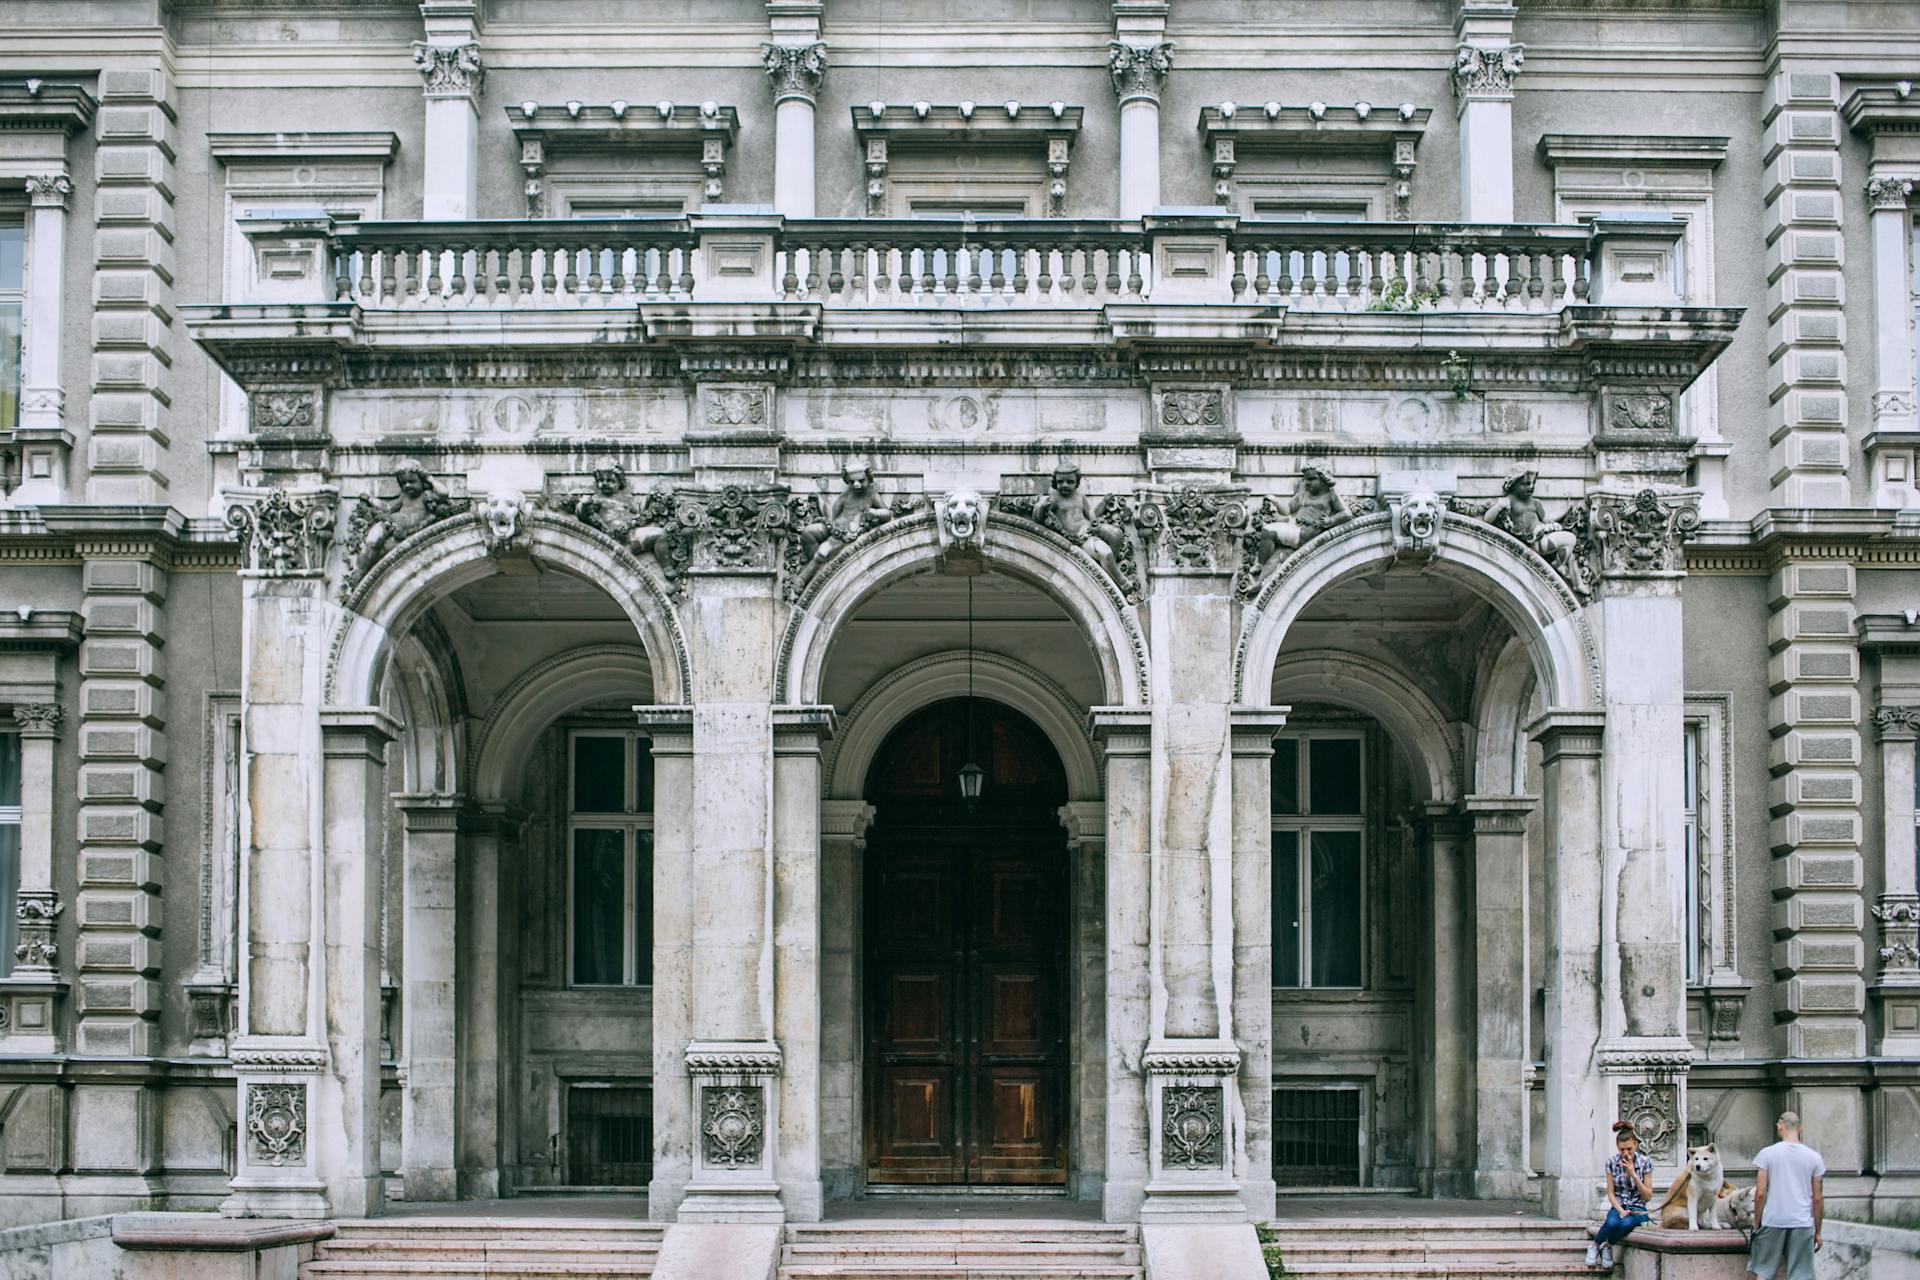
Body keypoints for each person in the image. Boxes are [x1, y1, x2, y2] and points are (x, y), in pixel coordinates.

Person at [1750, 1111, 1824, 1280]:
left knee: (1763, 1272)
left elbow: (1760, 1193)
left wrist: (1756, 1223)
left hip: (1773, 1220)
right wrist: (1818, 1231)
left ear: (1779, 1126)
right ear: (1801, 1128)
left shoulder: (1767, 1154)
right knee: (1801, 1276)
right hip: (1802, 1221)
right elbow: (1818, 1198)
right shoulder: (1814, 1157)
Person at [1589, 1120, 1655, 1270]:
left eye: (1629, 1149)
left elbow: (1648, 1196)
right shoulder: (1611, 1163)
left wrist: (1633, 1174)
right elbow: (1611, 1194)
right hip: (1619, 1205)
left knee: (1626, 1223)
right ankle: (1594, 1246)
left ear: (1636, 1144)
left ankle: (1608, 1246)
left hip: (1638, 1208)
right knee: (1612, 1222)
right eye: (1622, 1149)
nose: (1625, 1153)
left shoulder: (1645, 1162)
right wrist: (1620, 1210)